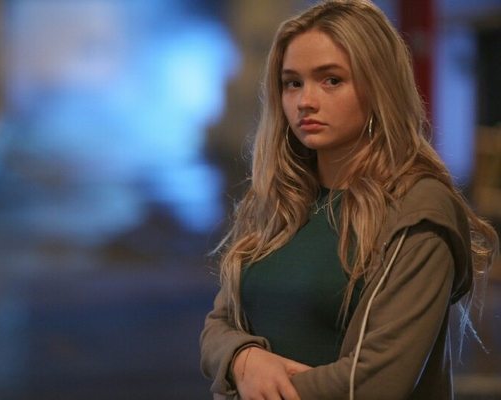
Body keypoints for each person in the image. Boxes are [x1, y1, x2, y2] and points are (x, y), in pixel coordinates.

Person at [199, 1, 499, 399]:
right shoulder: (279, 198)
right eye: (293, 83)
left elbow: (377, 380)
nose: (305, 101)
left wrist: (251, 390)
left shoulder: (418, 207)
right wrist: (242, 359)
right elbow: (218, 326)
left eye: (331, 80)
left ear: (378, 86)